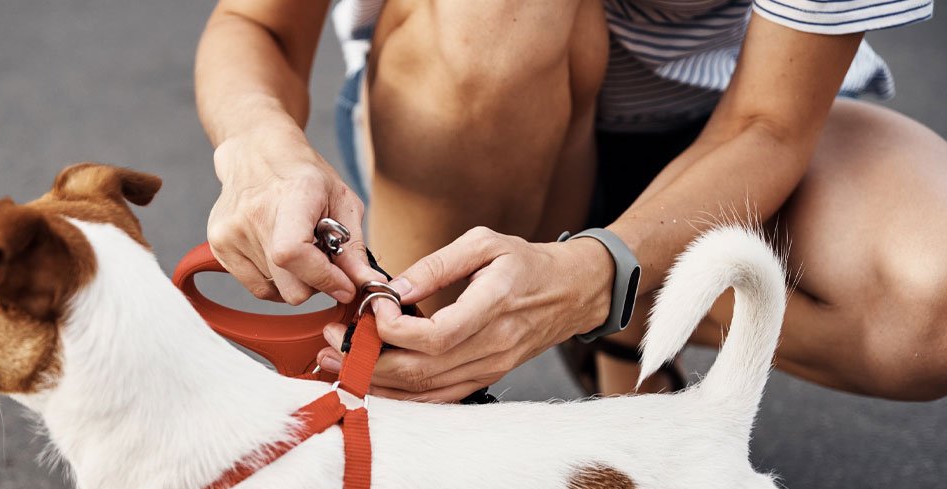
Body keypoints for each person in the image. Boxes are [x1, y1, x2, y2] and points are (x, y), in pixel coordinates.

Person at [194, 0, 946, 403]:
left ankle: (618, 324)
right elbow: (257, 24)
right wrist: (262, 153)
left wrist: (601, 276)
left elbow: (768, 124)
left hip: (731, 130)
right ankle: (429, 413)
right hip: (465, 124)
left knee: (929, 311)